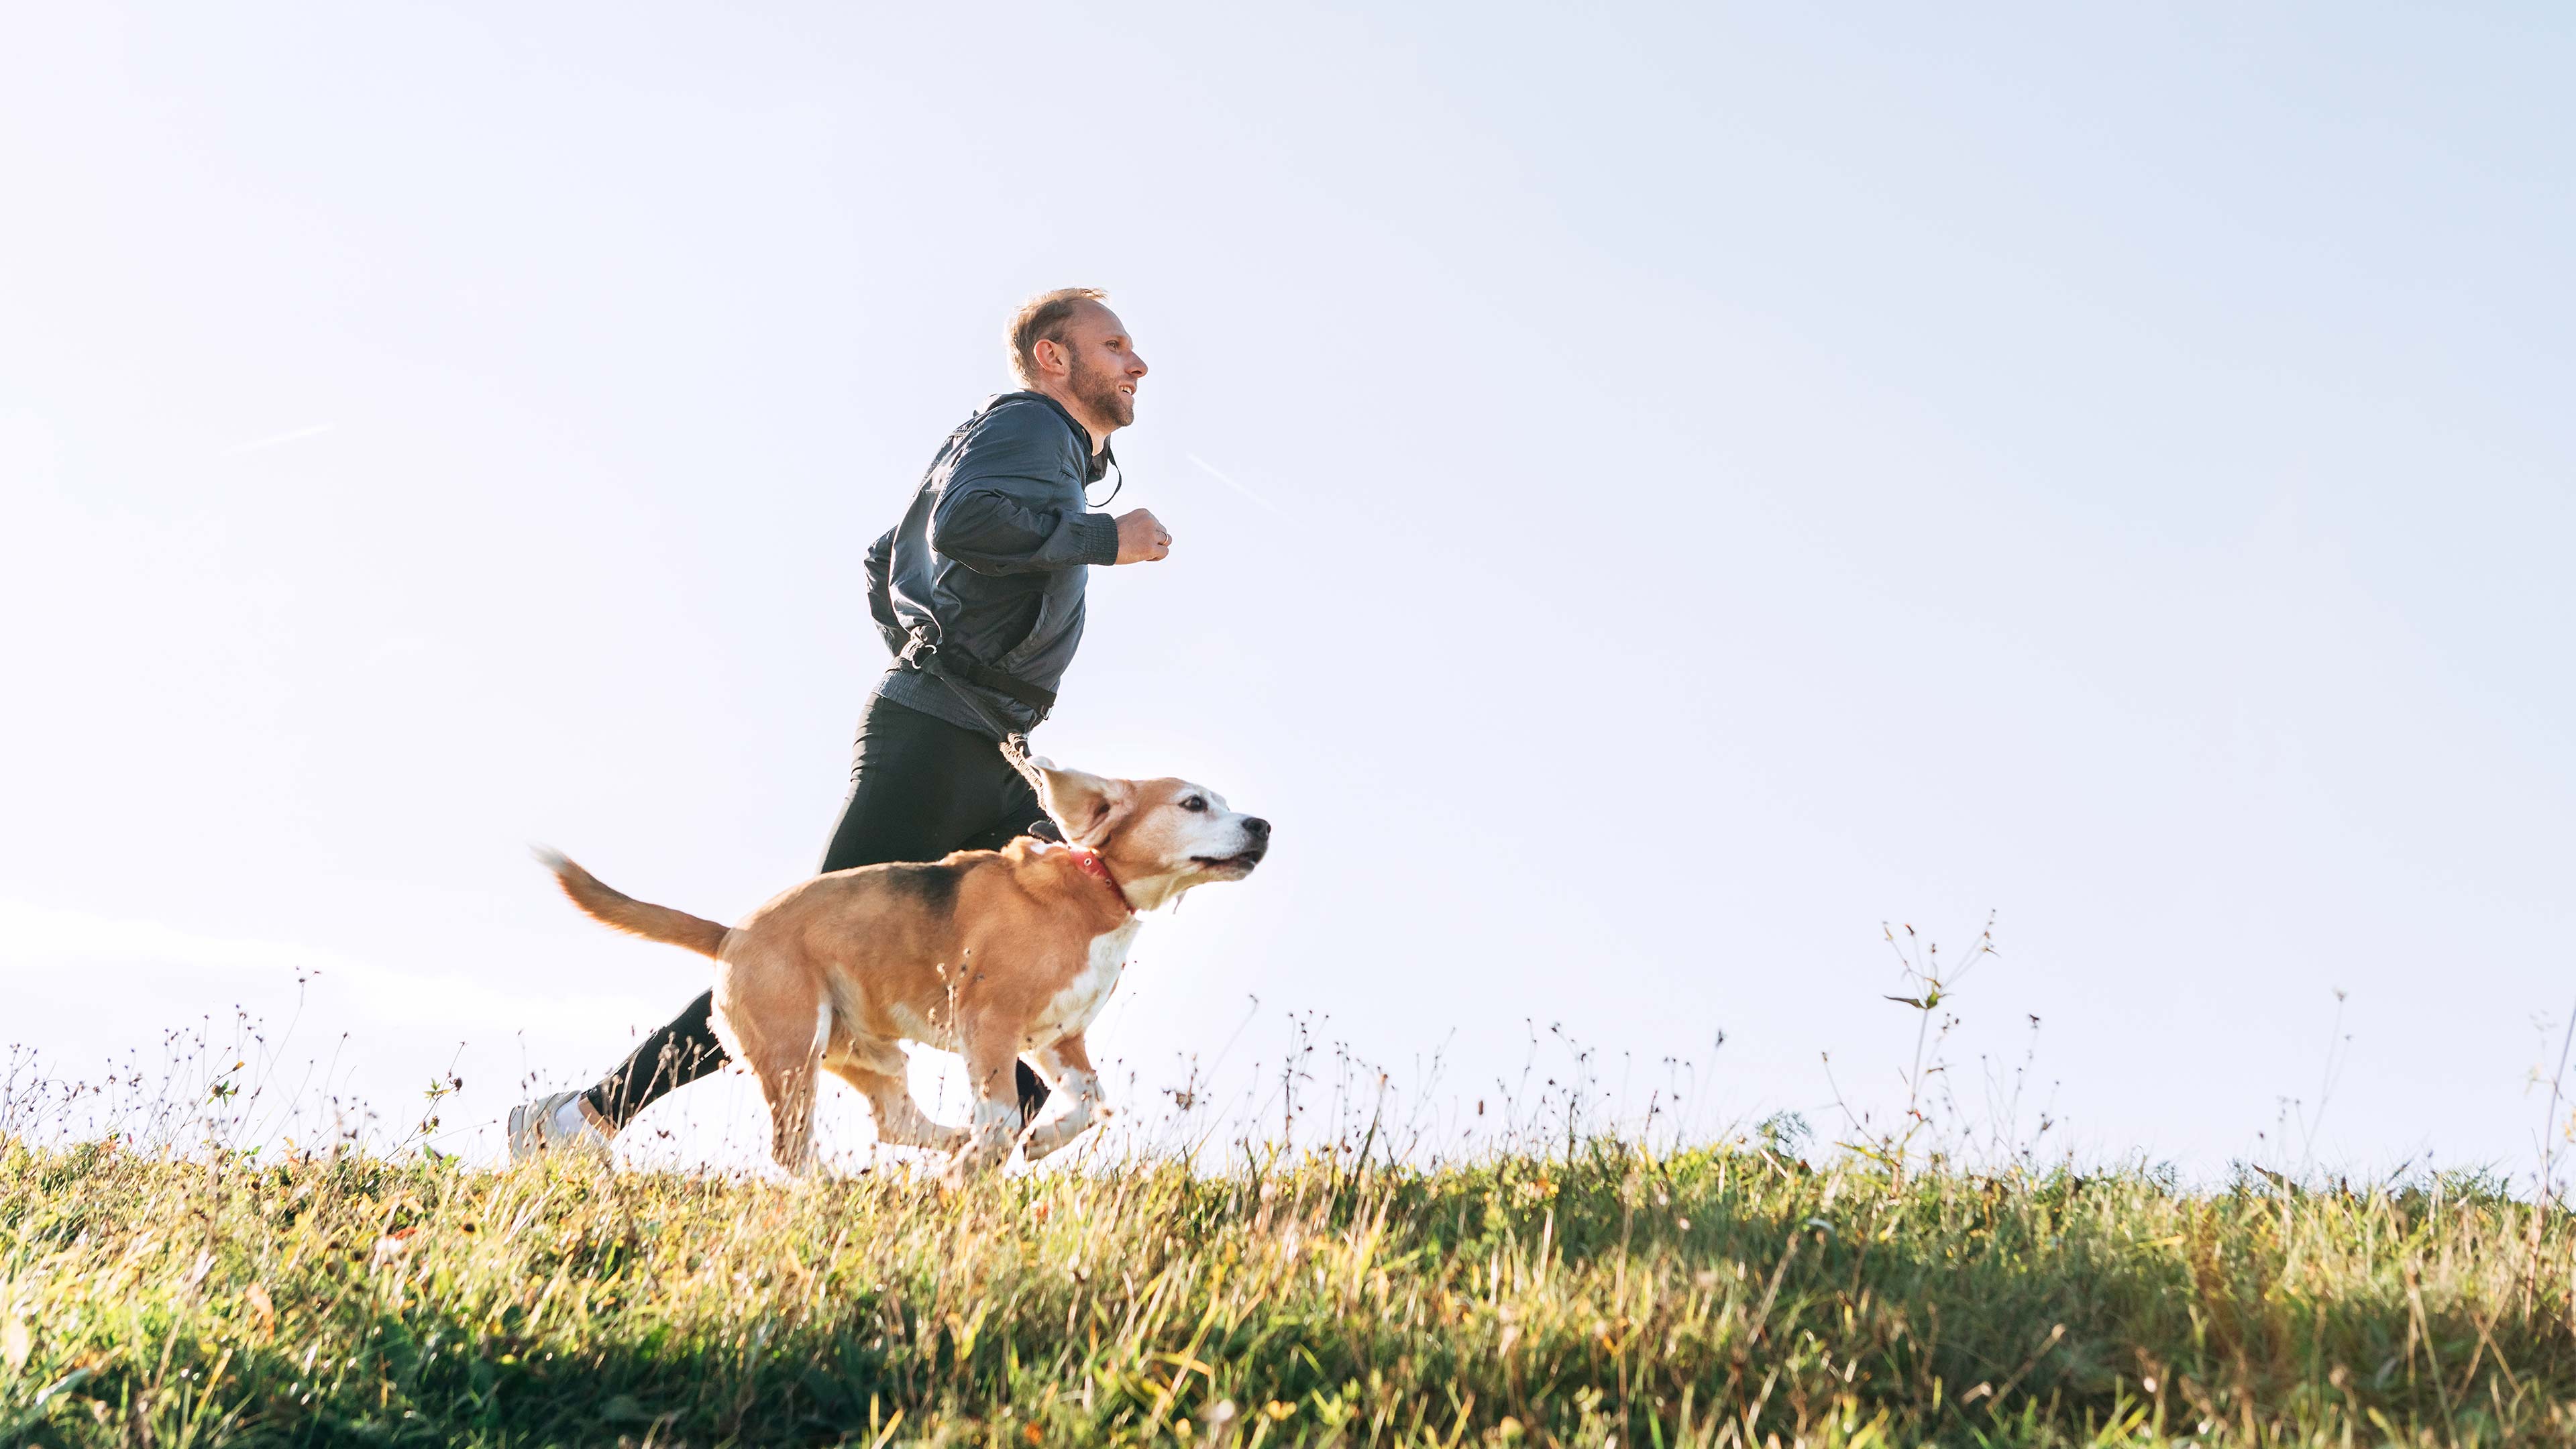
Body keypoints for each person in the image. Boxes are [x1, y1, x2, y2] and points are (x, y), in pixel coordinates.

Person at [508, 286, 1172, 1160]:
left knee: (1057, 919)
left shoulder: (1024, 448)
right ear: (1056, 358)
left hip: (974, 740)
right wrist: (1101, 539)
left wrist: (933, 643)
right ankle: (580, 1122)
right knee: (795, 957)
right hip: (940, 741)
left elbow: (886, 554)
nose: (1138, 363)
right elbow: (968, 524)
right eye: (1115, 345)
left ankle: (992, 1153)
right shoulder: (1030, 431)